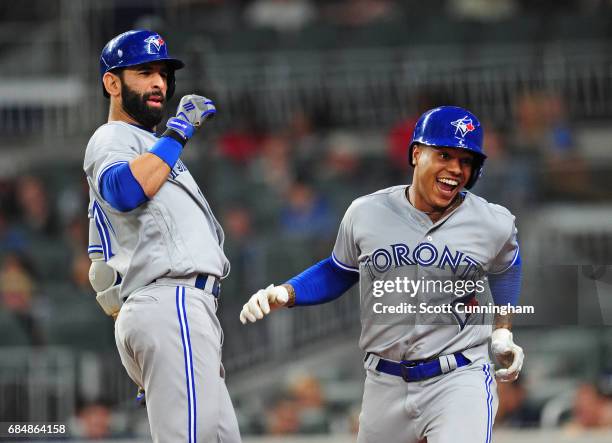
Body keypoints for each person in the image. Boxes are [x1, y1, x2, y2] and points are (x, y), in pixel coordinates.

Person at [240, 106, 524, 442]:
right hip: (384, 382)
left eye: (466, 161)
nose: (455, 169)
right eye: (444, 154)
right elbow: (339, 270)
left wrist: (502, 331)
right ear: (416, 153)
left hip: (459, 376)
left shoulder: (493, 221)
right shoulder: (367, 213)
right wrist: (287, 293)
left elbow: (508, 267)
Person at [83, 30, 240, 442]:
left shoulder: (150, 146)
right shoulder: (112, 138)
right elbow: (126, 190)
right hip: (171, 304)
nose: (159, 83)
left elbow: (100, 263)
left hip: (175, 310)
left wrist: (132, 327)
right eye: (144, 72)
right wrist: (179, 132)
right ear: (112, 83)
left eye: (163, 74)